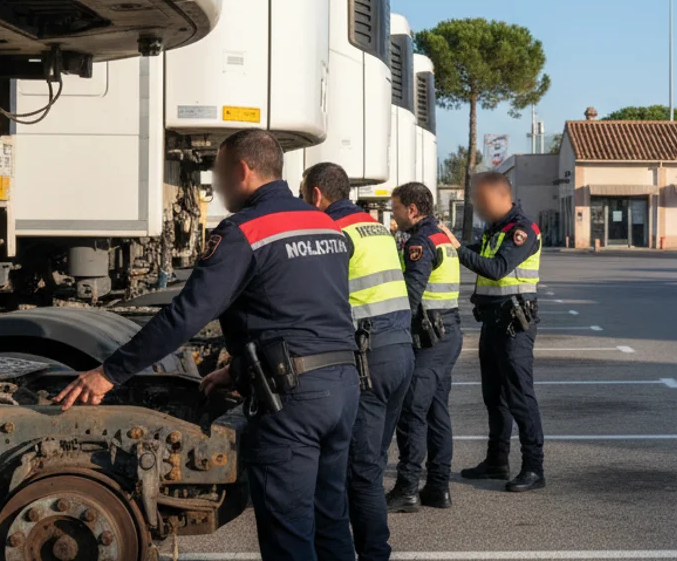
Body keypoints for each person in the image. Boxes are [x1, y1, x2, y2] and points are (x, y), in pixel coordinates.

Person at [54, 129, 360, 561]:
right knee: (330, 521)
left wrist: (109, 373)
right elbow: (302, 312)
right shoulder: (325, 225)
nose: (215, 186)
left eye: (218, 173)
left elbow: (185, 316)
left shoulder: (244, 231)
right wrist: (236, 371)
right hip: (343, 386)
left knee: (290, 533)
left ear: (242, 170)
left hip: (293, 401)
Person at [301, 163, 414, 561]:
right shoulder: (375, 226)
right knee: (371, 463)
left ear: (316, 194)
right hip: (400, 350)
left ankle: (373, 554)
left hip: (371, 357)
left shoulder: (333, 231)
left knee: (361, 472)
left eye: (303, 193)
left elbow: (319, 297)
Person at [437, 172, 545, 493]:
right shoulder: (496, 230)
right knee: (493, 398)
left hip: (515, 325)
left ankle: (534, 467)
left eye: (480, 200)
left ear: (501, 196)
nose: (476, 206)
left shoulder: (523, 230)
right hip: (493, 323)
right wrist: (446, 244)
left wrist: (457, 248)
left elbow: (496, 268)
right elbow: (476, 254)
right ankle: (497, 461)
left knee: (520, 397)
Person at [386, 182, 463, 512]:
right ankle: (438, 487)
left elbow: (411, 296)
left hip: (429, 337)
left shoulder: (419, 242)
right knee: (436, 412)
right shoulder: (441, 236)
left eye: (396, 209)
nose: (394, 215)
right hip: (448, 332)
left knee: (412, 413)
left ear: (412, 210)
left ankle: (407, 489)